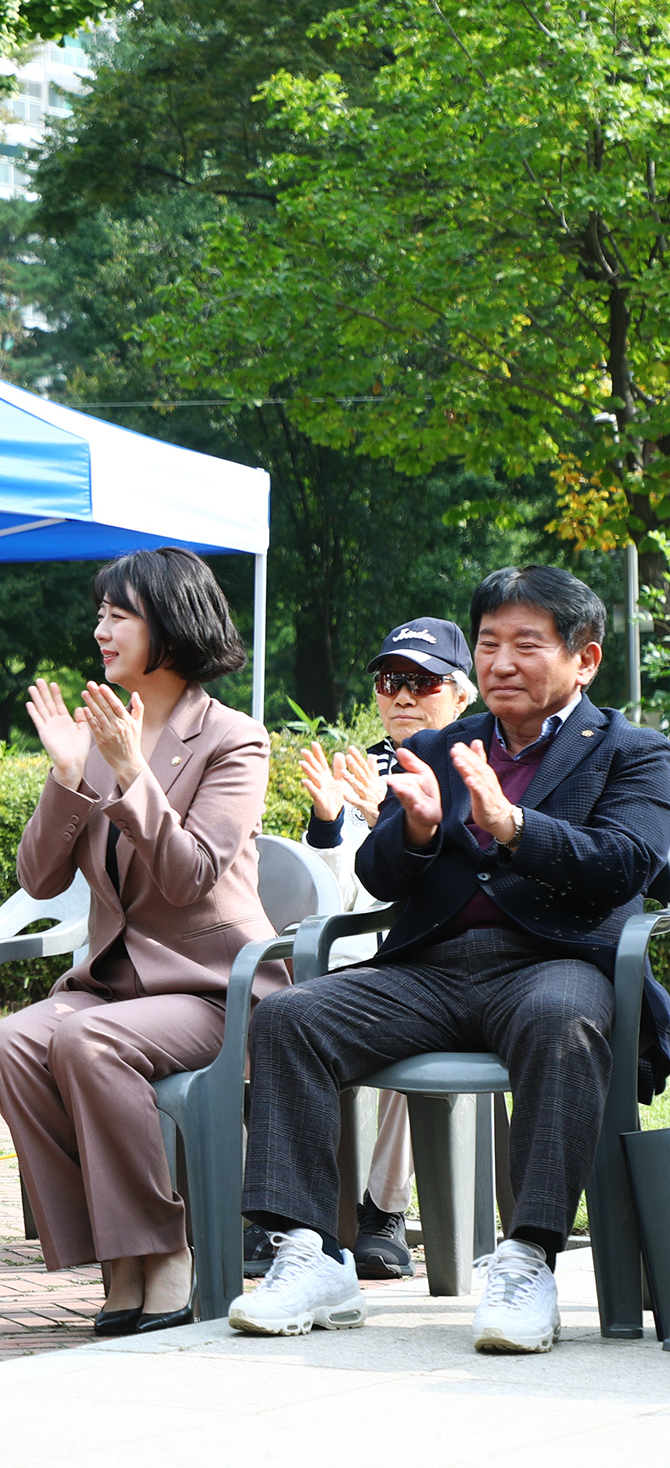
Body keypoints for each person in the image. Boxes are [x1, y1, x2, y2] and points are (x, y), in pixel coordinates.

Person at [232, 565, 670, 1354]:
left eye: (527, 644)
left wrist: (514, 826)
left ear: (586, 659)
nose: (502, 662)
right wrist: (421, 831)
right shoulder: (439, 744)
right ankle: (308, 1253)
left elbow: (626, 863)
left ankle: (528, 1256)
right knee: (293, 1015)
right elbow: (377, 877)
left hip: (551, 963)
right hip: (430, 969)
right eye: (491, 644)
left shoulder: (633, 752)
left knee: (560, 1018)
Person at [0, 546, 271, 1337]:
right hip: (118, 989)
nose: (100, 629)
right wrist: (69, 777)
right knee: (8, 1042)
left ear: (170, 626)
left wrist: (132, 772)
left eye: (119, 615)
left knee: (88, 1041)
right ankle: (116, 1257)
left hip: (215, 991)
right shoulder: (102, 734)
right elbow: (39, 880)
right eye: (100, 613)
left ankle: (162, 1248)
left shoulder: (234, 741)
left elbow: (189, 877)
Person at [281, 616, 476, 1282]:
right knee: (268, 1006)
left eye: (422, 681)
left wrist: (391, 823)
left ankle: (382, 1211)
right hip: (359, 950)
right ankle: (287, 1223)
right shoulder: (367, 764)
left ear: (461, 694)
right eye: (392, 680)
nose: (402, 695)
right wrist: (335, 824)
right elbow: (335, 897)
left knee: (411, 1016)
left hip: (450, 960)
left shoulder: (477, 762)